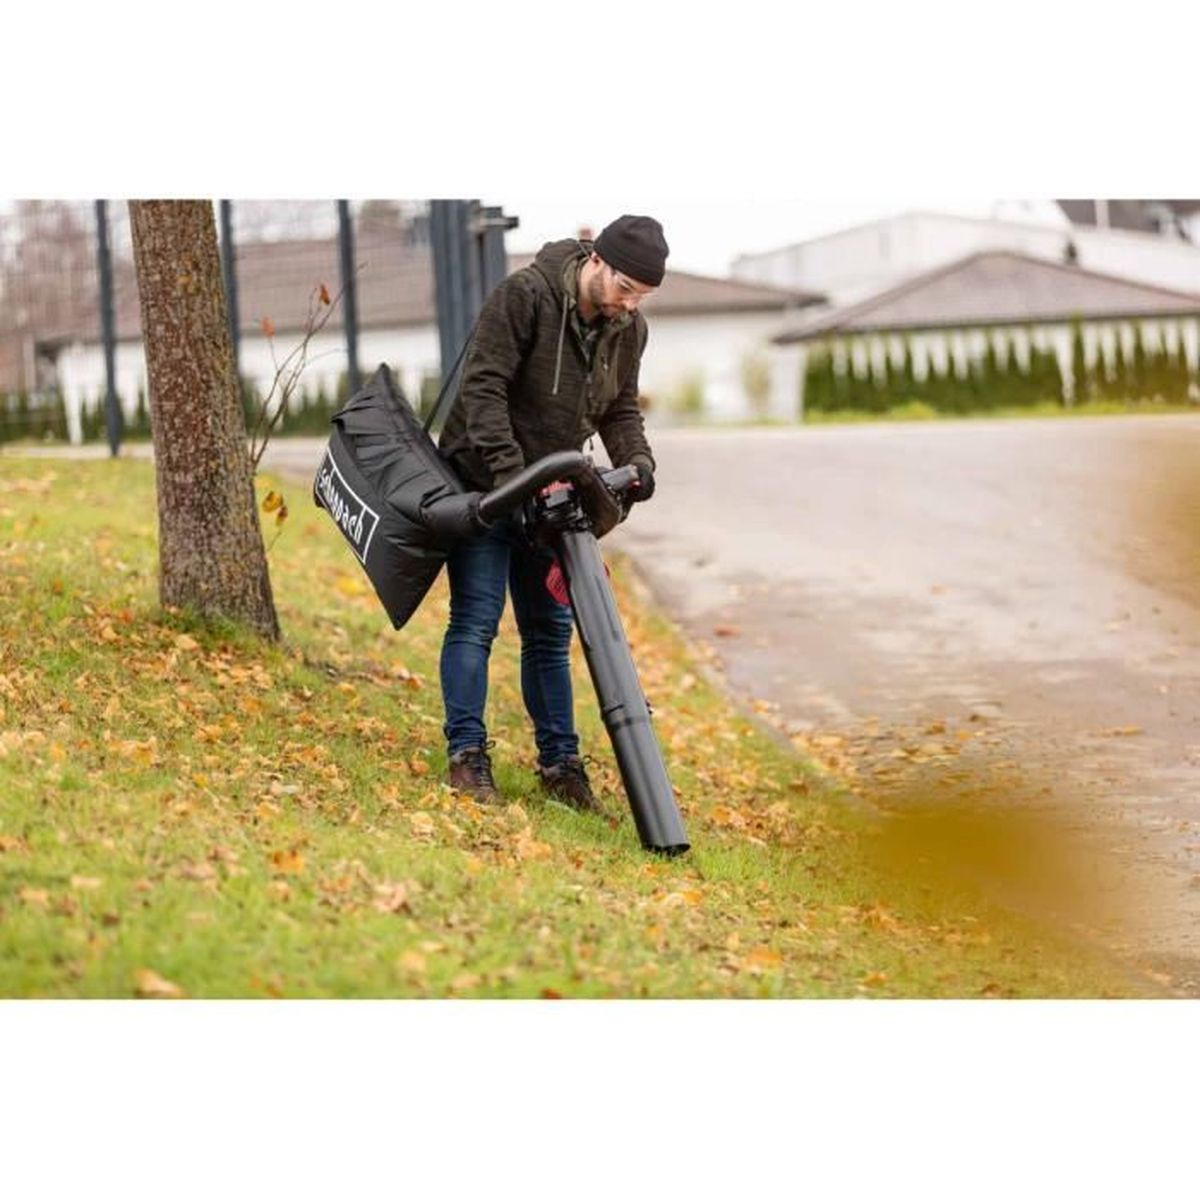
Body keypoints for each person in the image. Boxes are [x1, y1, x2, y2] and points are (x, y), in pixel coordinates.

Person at [436, 214, 669, 812]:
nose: (628, 306)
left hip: (553, 498)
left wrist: (636, 462)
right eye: (624, 290)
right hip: (485, 484)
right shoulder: (525, 296)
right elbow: (481, 391)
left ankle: (561, 768)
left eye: (641, 299)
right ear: (598, 263)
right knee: (476, 622)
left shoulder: (627, 328)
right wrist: (515, 478)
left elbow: (619, 408)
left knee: (548, 636)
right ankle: (467, 757)